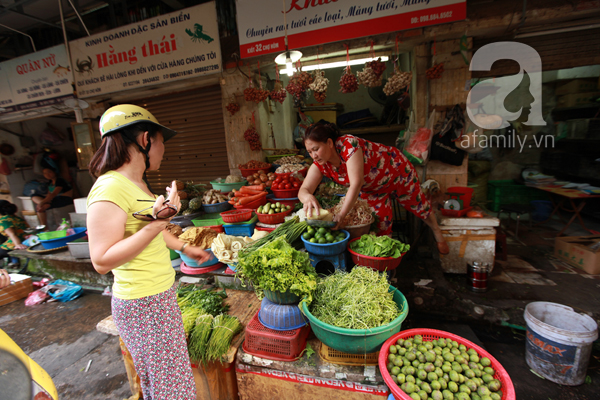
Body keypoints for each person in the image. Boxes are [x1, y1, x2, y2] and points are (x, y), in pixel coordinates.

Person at [86, 104, 211, 399]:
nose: (163, 150)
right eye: (161, 141)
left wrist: (183, 246)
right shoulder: (110, 188)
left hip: (157, 296)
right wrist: (158, 224)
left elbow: (147, 231)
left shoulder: (137, 184)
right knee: (173, 390)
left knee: (167, 384)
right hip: (143, 305)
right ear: (145, 140)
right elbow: (101, 260)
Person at [298, 122, 450, 255]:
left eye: (316, 149)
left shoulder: (348, 145)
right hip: (372, 189)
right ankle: (387, 266)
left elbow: (356, 183)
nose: (313, 156)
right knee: (378, 226)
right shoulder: (320, 164)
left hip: (396, 171)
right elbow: (303, 190)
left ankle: (437, 232)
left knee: (418, 205)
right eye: (309, 152)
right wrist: (308, 197)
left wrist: (341, 214)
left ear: (329, 143)